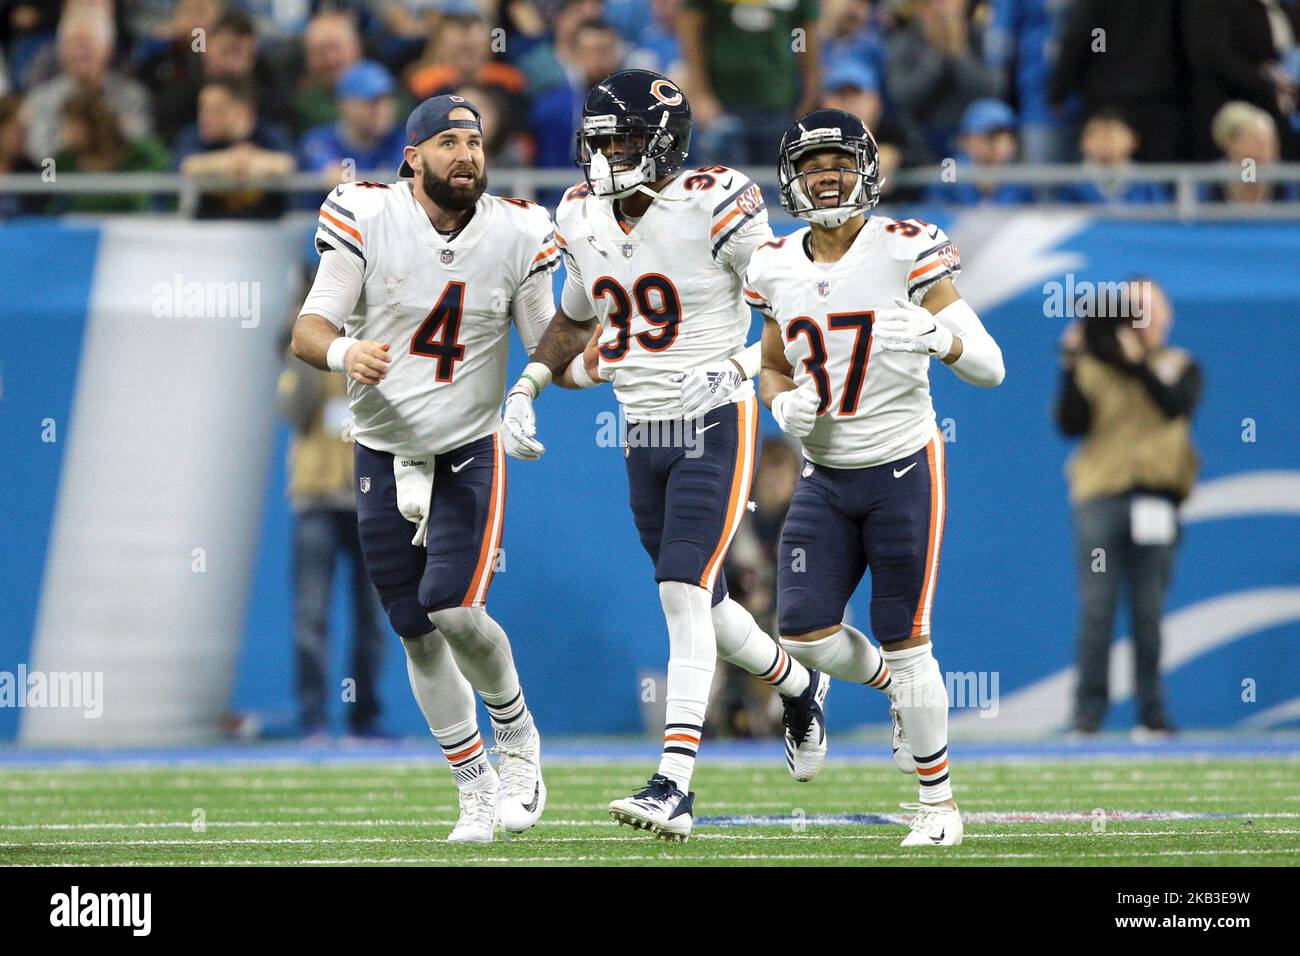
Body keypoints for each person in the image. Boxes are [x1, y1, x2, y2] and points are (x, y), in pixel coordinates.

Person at [502, 70, 831, 843]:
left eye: (623, 141)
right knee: (708, 605)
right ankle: (798, 682)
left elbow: (795, 295)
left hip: (714, 421)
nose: (606, 157)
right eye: (599, 141)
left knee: (682, 591)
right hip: (641, 431)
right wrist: (529, 383)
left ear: (665, 144)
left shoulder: (713, 202)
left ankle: (674, 782)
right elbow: (576, 318)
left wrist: (748, 366)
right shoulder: (580, 213)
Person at [290, 94, 555, 843]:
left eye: (475, 140)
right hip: (379, 445)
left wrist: (552, 379)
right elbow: (310, 327)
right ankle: (471, 785)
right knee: (413, 628)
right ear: (412, 156)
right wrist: (347, 351)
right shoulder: (366, 214)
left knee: (452, 605)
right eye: (447, 141)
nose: (466, 153)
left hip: (468, 443)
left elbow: (551, 346)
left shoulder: (518, 231)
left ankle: (519, 741)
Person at [746, 108, 1005, 846]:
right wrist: (780, 403)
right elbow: (768, 362)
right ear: (792, 179)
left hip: (901, 468)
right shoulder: (773, 263)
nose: (825, 176)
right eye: (811, 166)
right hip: (825, 475)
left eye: (838, 164)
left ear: (867, 172)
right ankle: (892, 694)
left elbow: (992, 368)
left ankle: (939, 806)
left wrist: (939, 334)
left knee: (908, 639)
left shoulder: (906, 249)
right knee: (800, 633)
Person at [1056, 279, 1200, 738]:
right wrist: (1071, 360)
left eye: (1150, 310)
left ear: (1167, 316)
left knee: (1149, 611)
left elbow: (1173, 404)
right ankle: (1087, 713)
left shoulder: (1179, 365)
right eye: (1133, 310)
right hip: (1101, 499)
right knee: (1096, 608)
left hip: (1157, 500)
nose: (1141, 320)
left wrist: (1136, 360)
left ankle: (1152, 713)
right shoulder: (1095, 368)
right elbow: (1069, 423)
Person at [275, 348, 387, 740]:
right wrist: (302, 346)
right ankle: (313, 718)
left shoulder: (376, 338)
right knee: (311, 615)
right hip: (316, 499)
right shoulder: (303, 343)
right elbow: (293, 410)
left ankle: (364, 718)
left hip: (371, 497)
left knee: (372, 617)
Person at [680, 0, 823, 164]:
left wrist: (809, 96)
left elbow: (803, 33)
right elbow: (691, 28)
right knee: (722, 184)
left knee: (779, 182)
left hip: (780, 103)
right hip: (722, 104)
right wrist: (701, 93)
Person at [175, 76, 295, 219]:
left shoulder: (271, 134)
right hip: (209, 234)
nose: (204, 117)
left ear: (244, 109)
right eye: (202, 108)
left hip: (266, 232)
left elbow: (286, 164)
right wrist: (230, 159)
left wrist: (226, 164)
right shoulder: (193, 136)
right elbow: (188, 166)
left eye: (216, 110)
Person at [298, 60, 407, 183]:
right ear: (346, 105)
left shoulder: (401, 139)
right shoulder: (319, 140)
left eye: (388, 101)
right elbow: (335, 177)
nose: (384, 110)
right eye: (373, 102)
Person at [932, 98, 1033, 207]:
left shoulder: (1021, 179)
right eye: (990, 137)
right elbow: (933, 213)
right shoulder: (949, 174)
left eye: (1005, 137)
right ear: (967, 139)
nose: (999, 145)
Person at [1057, 110, 1169, 206]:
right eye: (1097, 133)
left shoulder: (1148, 183)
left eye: (1113, 134)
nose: (1106, 141)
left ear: (1133, 140)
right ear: (1083, 141)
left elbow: (1164, 221)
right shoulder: (1069, 183)